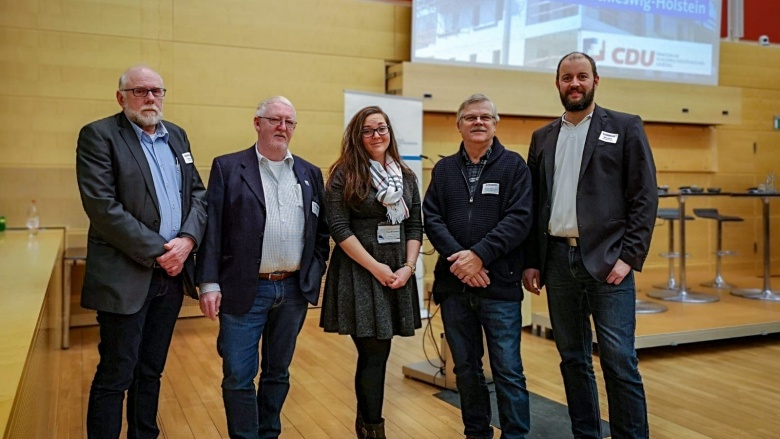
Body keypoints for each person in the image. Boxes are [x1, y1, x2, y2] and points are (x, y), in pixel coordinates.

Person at [522, 52, 658, 439]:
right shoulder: (543, 137)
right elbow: (536, 204)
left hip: (609, 263)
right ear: (558, 84)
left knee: (618, 360)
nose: (574, 84)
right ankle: (586, 434)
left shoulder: (625, 127)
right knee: (573, 359)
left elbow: (644, 197)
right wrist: (533, 261)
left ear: (596, 80)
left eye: (582, 76)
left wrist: (629, 257)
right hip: (557, 262)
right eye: (567, 78)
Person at [76, 65, 208, 438]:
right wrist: (161, 251)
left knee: (151, 370)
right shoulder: (99, 136)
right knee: (116, 373)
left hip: (171, 275)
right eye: (140, 91)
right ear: (121, 98)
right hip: (125, 276)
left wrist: (187, 242)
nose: (150, 98)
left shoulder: (178, 136)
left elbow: (198, 195)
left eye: (157, 91)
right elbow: (103, 207)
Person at [195, 96, 330, 439]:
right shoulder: (228, 167)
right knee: (239, 375)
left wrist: (314, 271)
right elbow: (213, 229)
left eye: (289, 122)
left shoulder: (310, 173)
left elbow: (320, 232)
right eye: (275, 120)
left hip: (292, 289)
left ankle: (268, 433)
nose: (282, 127)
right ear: (257, 123)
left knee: (278, 372)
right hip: (244, 289)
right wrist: (209, 282)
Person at [423, 94, 533, 439]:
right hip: (455, 287)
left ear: (495, 124)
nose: (479, 122)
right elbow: (432, 217)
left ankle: (515, 434)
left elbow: (519, 219)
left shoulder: (514, 166)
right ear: (459, 125)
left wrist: (480, 256)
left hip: (498, 285)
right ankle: (476, 432)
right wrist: (461, 259)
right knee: (466, 369)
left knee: (508, 369)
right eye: (470, 117)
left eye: (486, 117)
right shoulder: (443, 170)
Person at [320, 106, 423, 439]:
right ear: (357, 135)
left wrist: (408, 267)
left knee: (380, 351)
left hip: (397, 272)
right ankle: (373, 429)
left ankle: (367, 426)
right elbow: (337, 226)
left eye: (382, 128)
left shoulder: (406, 176)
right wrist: (376, 267)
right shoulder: (344, 173)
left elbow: (415, 225)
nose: (377, 135)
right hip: (360, 272)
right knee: (374, 351)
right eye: (368, 130)